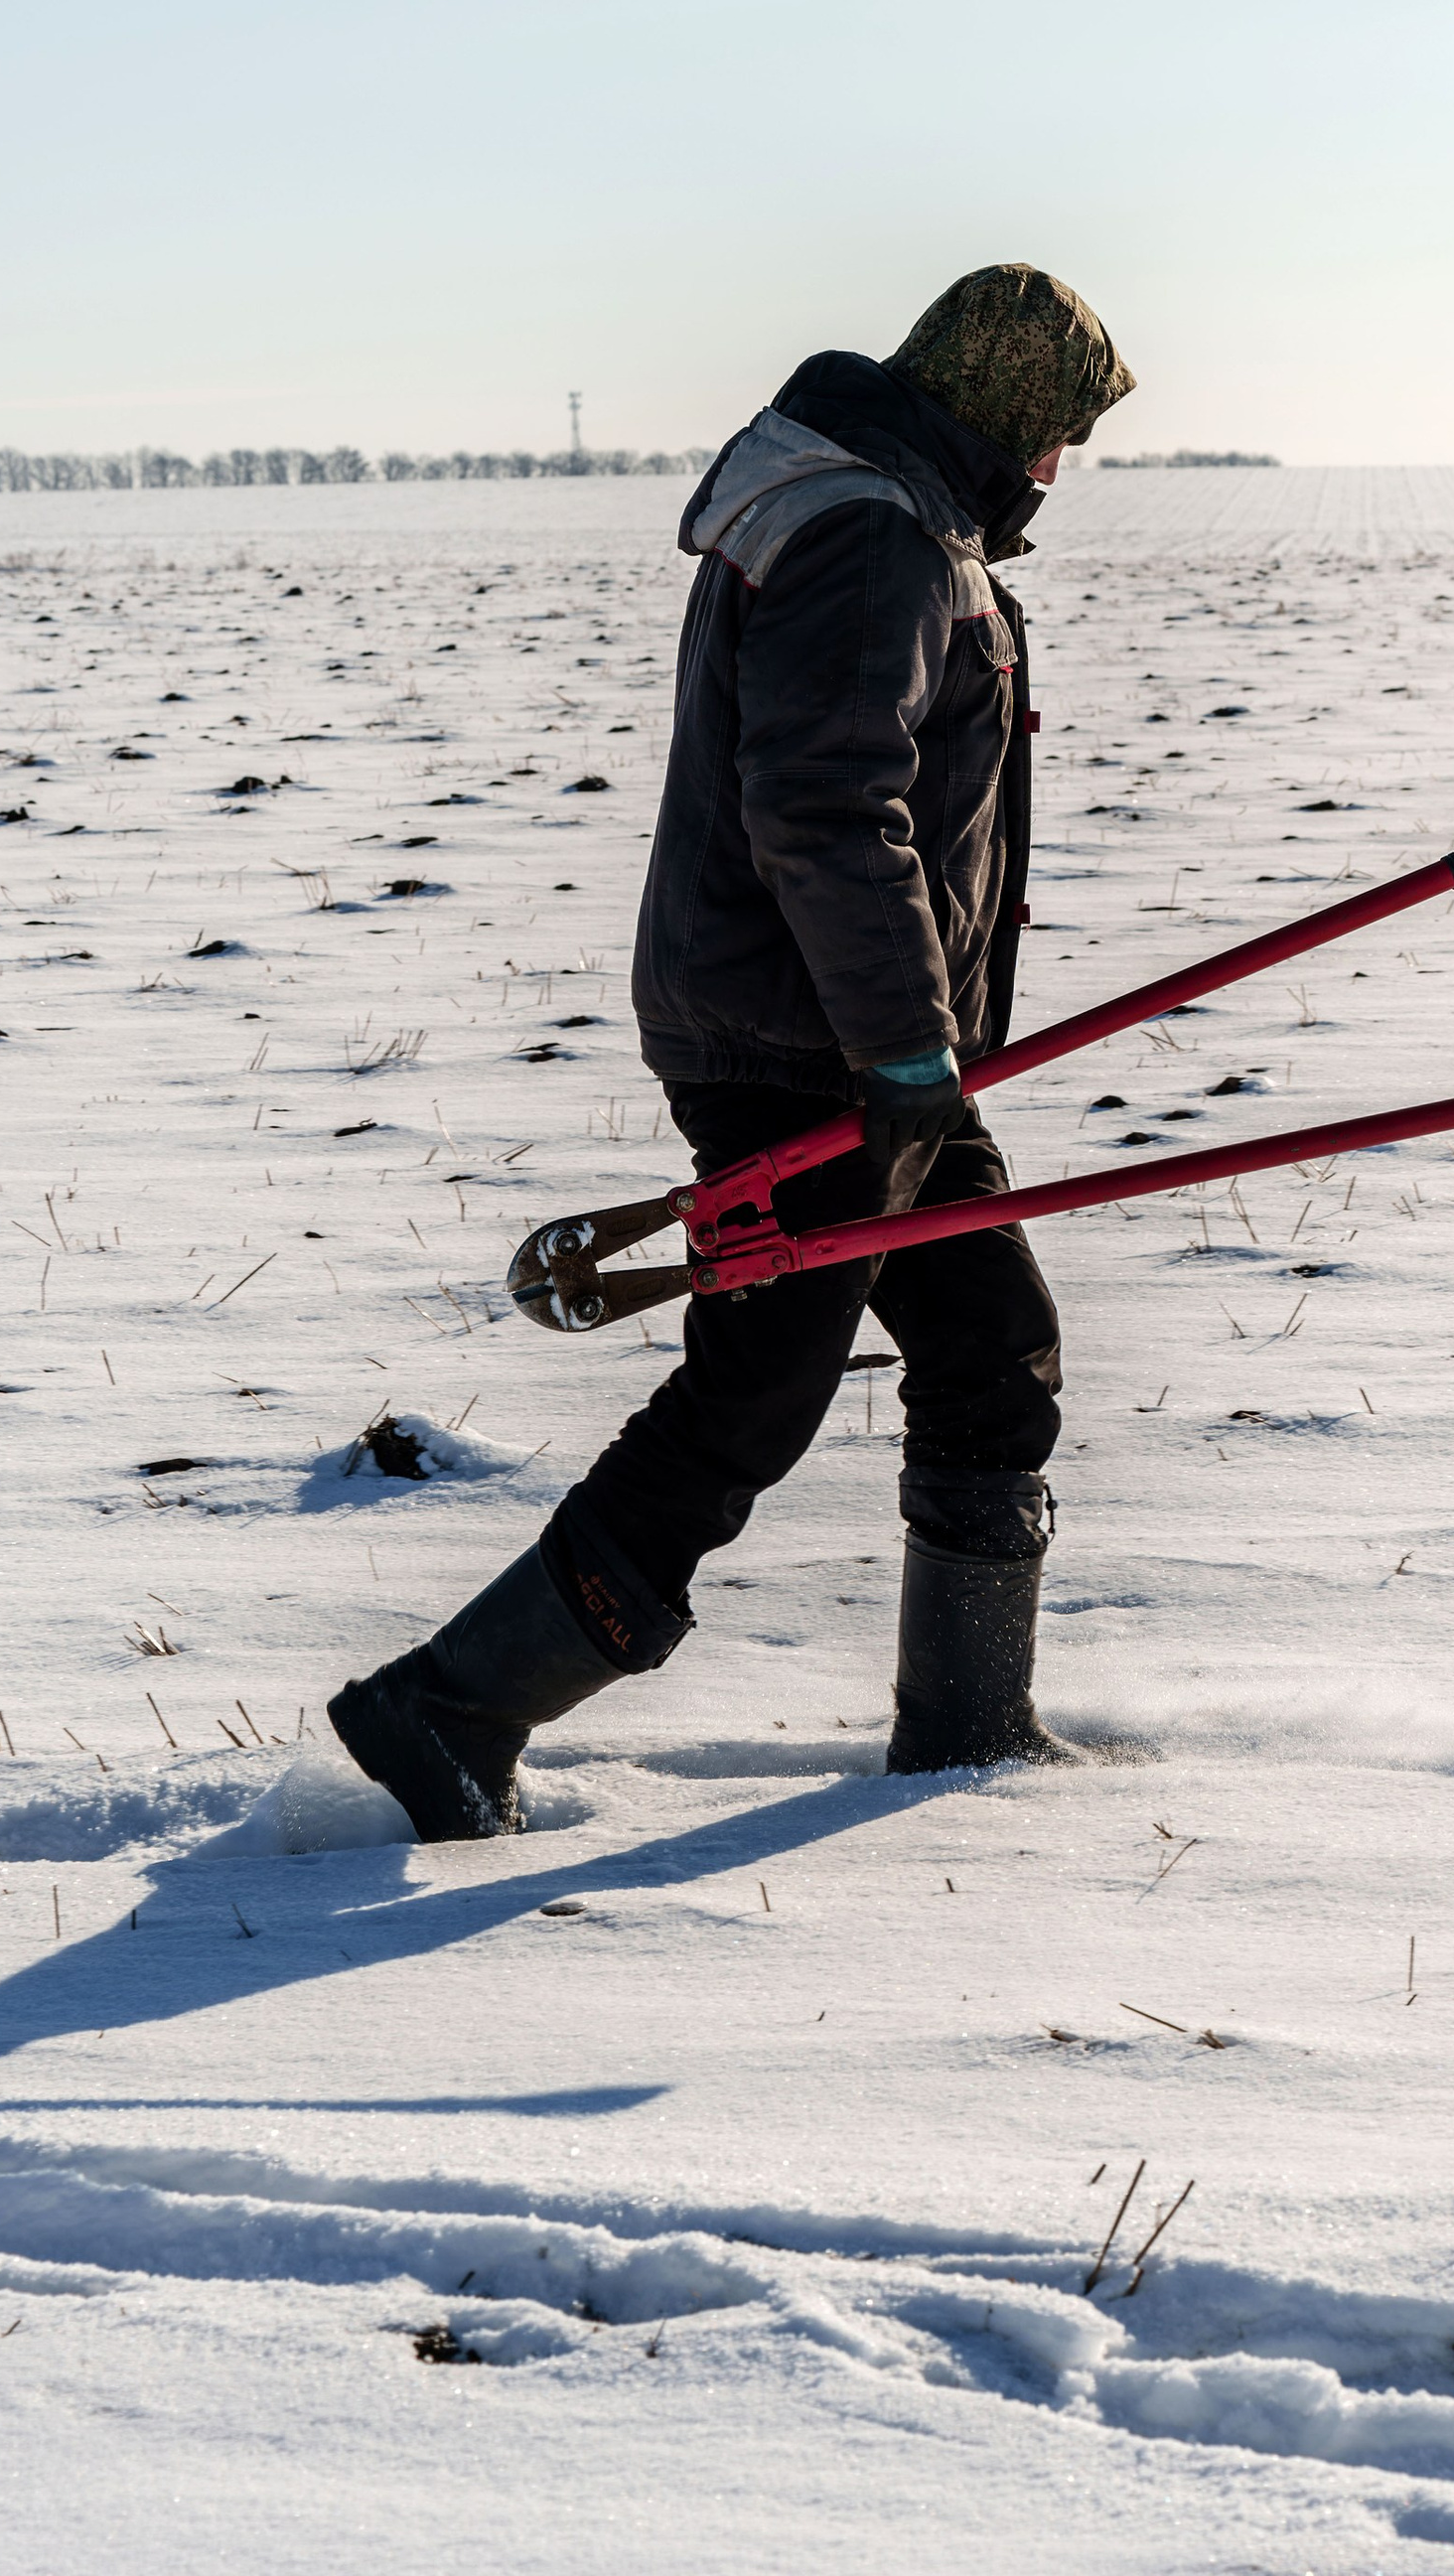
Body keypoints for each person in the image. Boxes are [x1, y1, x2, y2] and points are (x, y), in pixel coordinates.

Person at [329, 262, 1135, 1841]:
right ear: (1002, 410)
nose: (1057, 468)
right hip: (813, 1042)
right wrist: (901, 1052)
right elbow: (828, 808)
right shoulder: (874, 536)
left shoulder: (889, 516)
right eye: (1056, 433)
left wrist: (917, 1048)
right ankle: (452, 1708)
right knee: (754, 1396)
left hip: (856, 1037)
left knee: (990, 1345)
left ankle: (968, 1734)